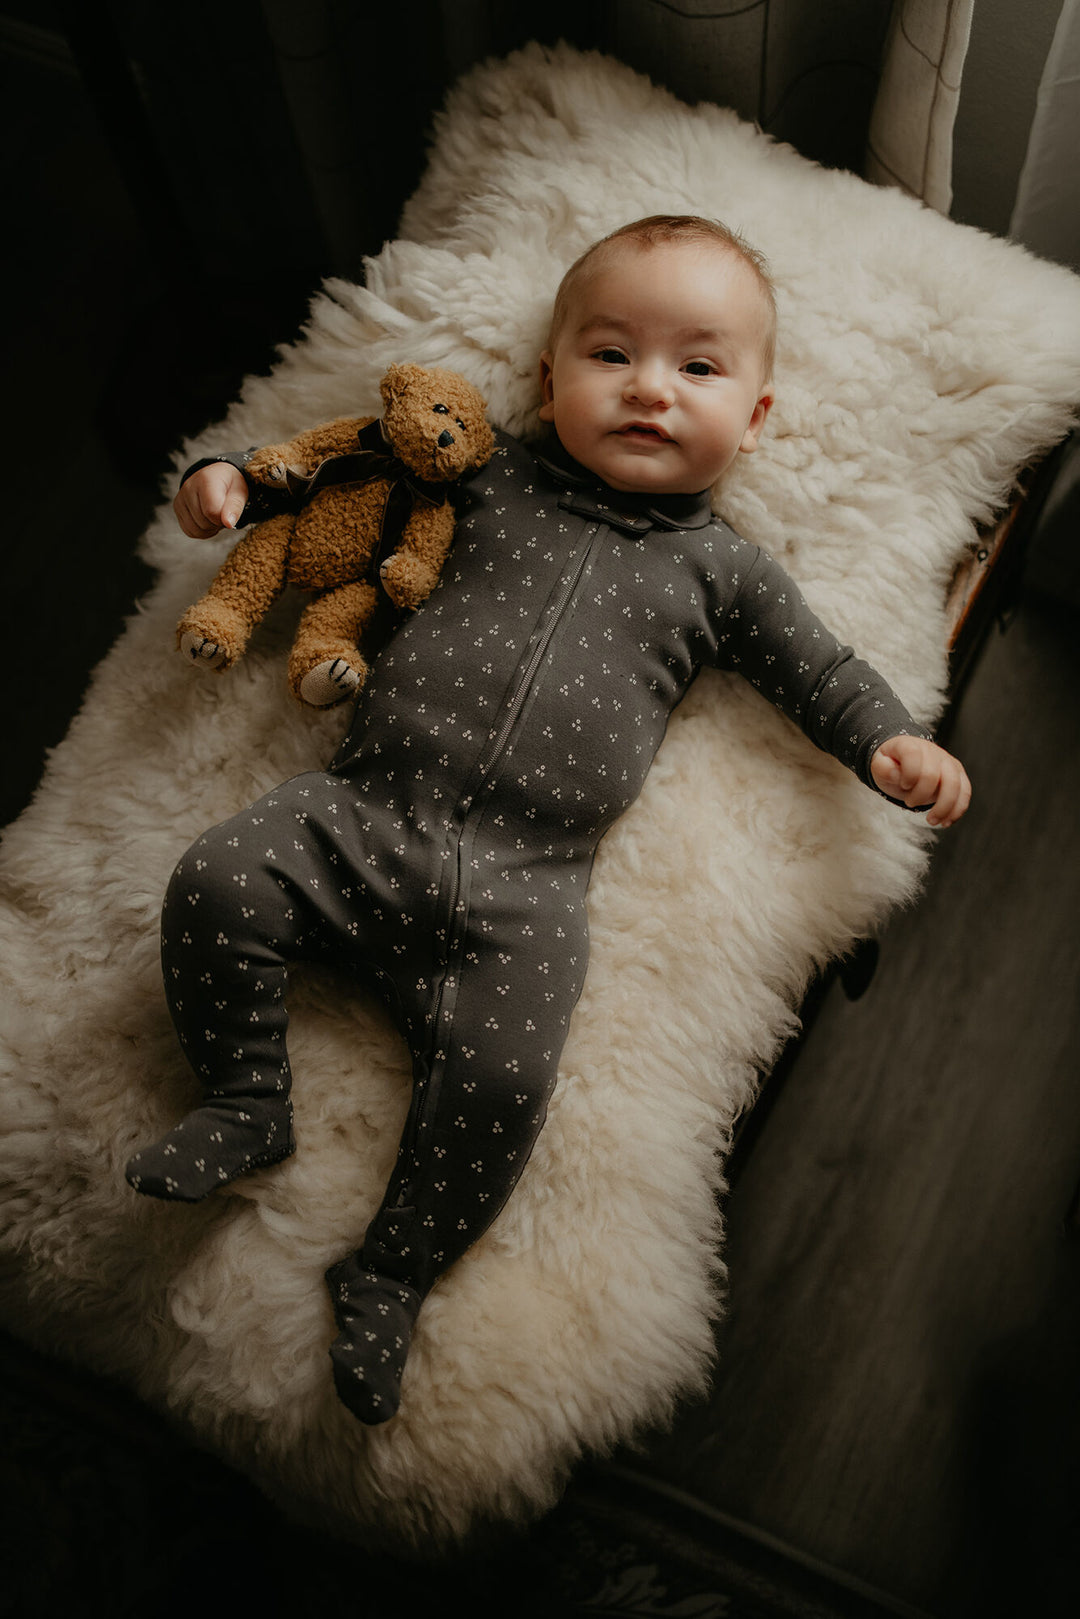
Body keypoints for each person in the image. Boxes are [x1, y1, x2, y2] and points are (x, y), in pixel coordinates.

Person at [125, 216, 971, 1425]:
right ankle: (246, 1098)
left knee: (505, 1079)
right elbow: (344, 466)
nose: (648, 390)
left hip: (523, 888)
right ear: (546, 379)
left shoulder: (723, 573)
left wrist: (889, 739)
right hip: (360, 812)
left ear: (759, 417)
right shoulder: (488, 478)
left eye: (698, 366)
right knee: (214, 878)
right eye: (611, 353)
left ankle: (392, 1269)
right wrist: (234, 482)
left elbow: (820, 669)